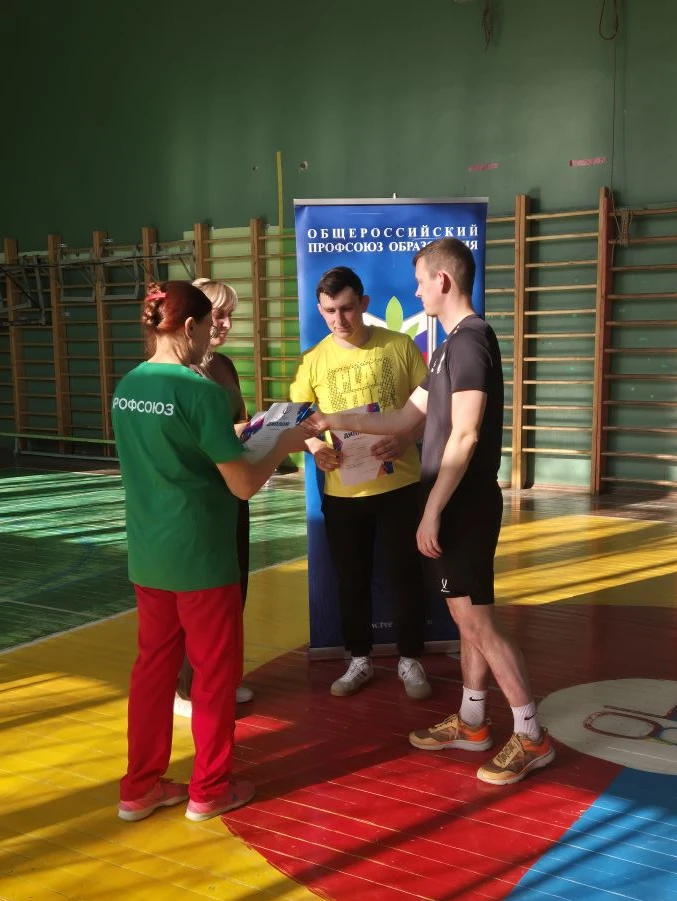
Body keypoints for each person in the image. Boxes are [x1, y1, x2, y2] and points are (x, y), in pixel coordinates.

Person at [305, 240, 555, 785]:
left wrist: (431, 510)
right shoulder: (446, 349)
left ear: (442, 281)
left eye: (420, 281)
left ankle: (531, 735)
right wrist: (327, 420)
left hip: (462, 505)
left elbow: (465, 436)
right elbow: (401, 419)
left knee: (479, 624)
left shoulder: (470, 343)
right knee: (468, 621)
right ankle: (472, 722)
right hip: (451, 503)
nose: (416, 292)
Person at [113, 280, 308, 823]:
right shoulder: (200, 392)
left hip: (149, 557)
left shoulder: (127, 386)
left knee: (152, 674)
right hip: (201, 558)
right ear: (190, 326)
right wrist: (286, 443)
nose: (211, 338)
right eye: (208, 327)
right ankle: (210, 789)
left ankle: (139, 788)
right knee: (215, 677)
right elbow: (242, 485)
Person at [290, 266, 432, 699]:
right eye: (330, 311)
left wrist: (405, 437)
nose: (339, 319)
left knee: (406, 575)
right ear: (320, 310)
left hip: (400, 486)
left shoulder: (399, 346)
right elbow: (300, 421)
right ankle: (359, 658)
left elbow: (432, 410)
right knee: (351, 579)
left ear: (364, 304)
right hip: (343, 492)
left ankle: (410, 658)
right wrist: (316, 451)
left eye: (347, 308)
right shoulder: (313, 360)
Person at [173, 278, 253, 718]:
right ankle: (188, 689)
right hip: (202, 500)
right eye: (217, 315)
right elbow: (197, 441)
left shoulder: (223, 366)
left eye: (229, 316)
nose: (224, 324)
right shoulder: (180, 375)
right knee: (199, 600)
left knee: (234, 589)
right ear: (194, 320)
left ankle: (218, 678)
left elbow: (238, 424)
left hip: (234, 492)